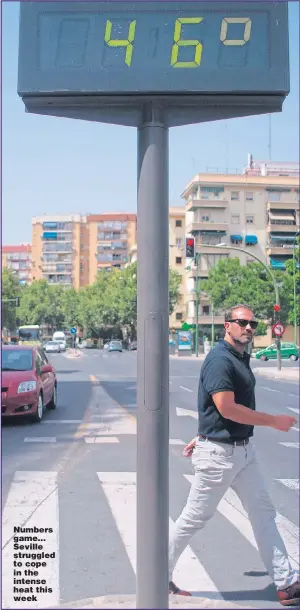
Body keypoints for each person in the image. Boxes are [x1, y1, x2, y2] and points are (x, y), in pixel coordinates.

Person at [168, 304, 300, 606]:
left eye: (252, 323)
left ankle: (287, 583)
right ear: (227, 325)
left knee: (264, 513)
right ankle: (157, 577)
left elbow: (215, 410)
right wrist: (273, 421)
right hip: (220, 456)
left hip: (241, 452)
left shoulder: (240, 356)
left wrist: (202, 433)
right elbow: (226, 407)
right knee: (193, 519)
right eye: (242, 322)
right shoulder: (220, 360)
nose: (249, 328)